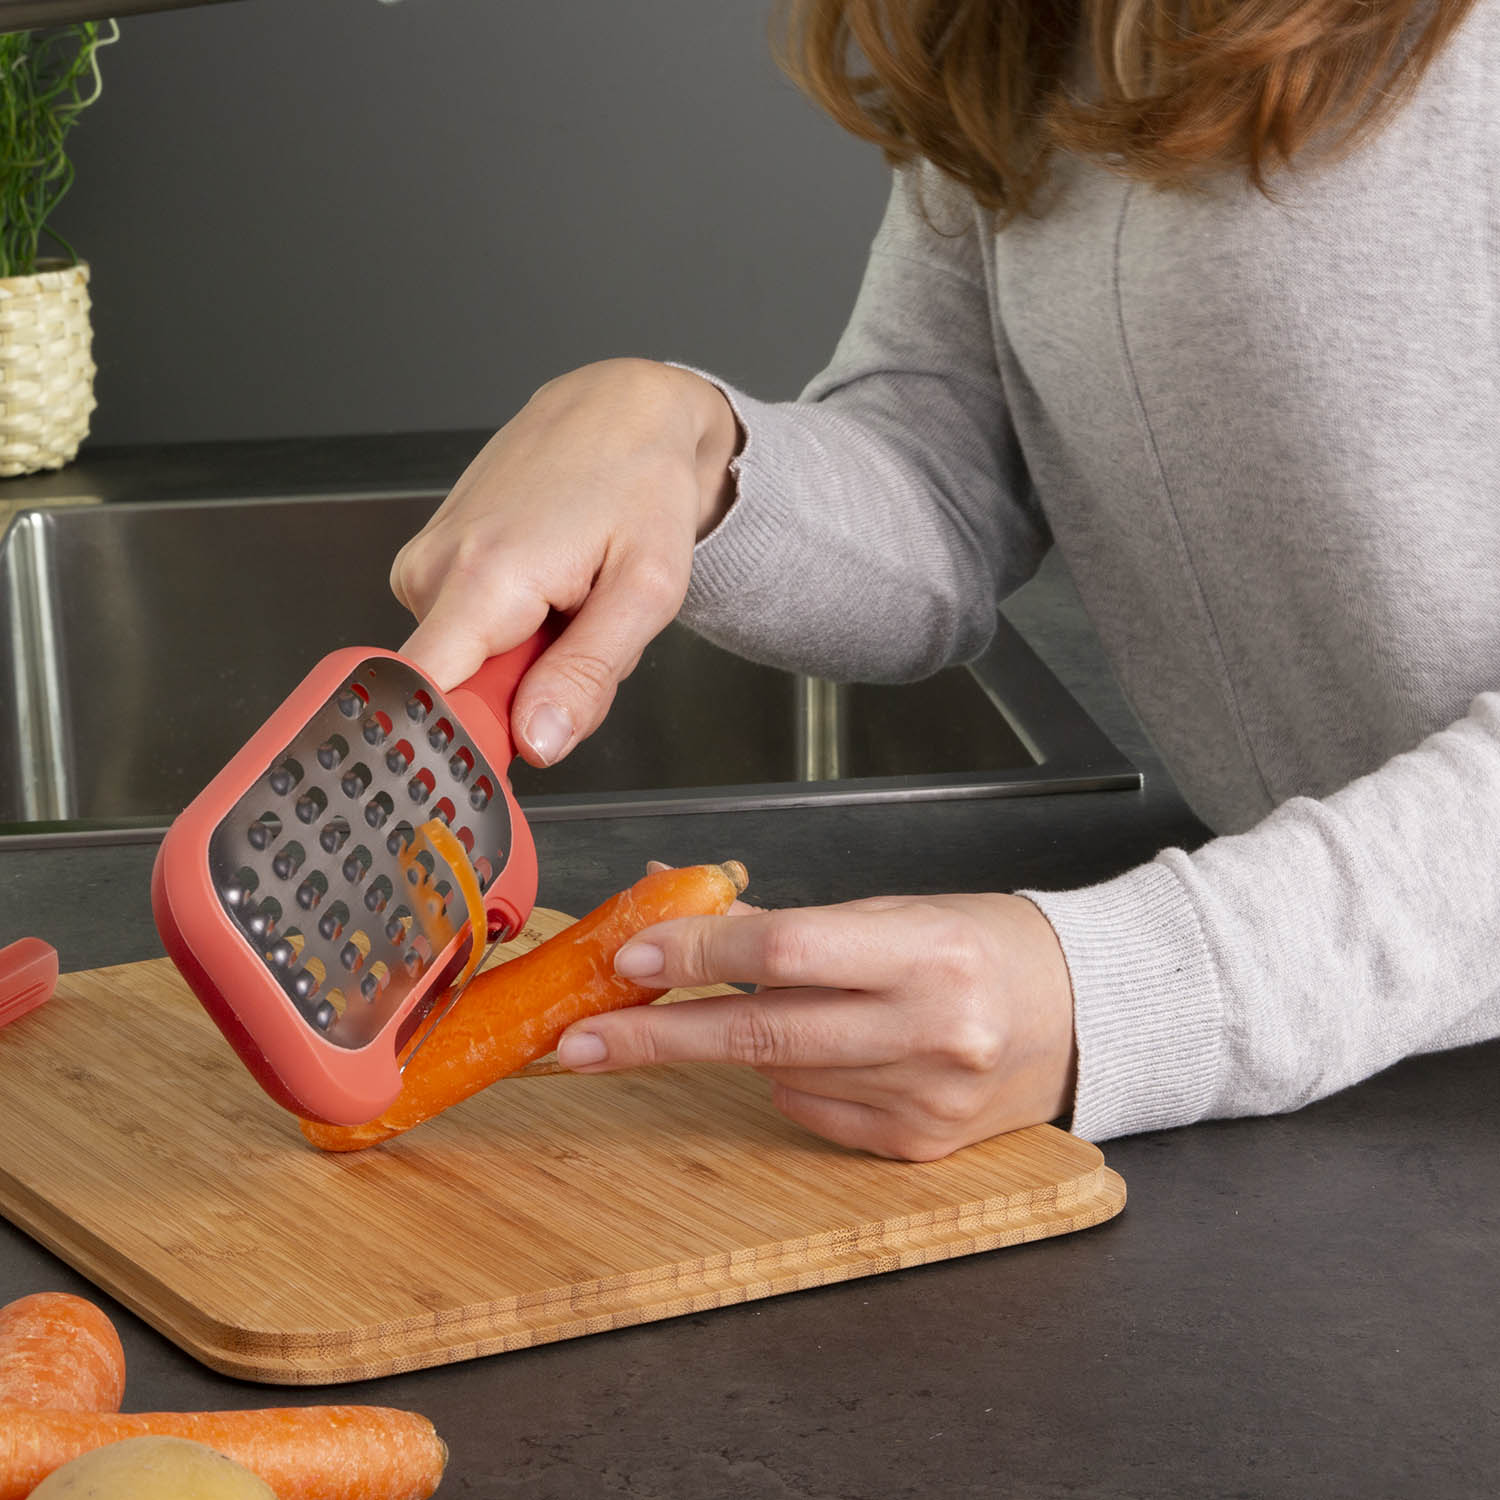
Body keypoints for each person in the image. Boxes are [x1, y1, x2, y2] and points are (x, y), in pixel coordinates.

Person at [388, 0, 1500, 1160]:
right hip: (1344, 1067)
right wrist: (695, 448)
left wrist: (1127, 988)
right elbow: (950, 463)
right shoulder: (1030, 26)